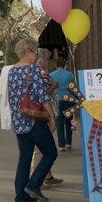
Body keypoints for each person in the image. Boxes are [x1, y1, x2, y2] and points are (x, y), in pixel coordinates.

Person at [7, 38, 57, 202]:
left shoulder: (12, 71)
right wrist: (51, 116)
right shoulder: (33, 69)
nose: (37, 55)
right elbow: (43, 96)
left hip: (19, 121)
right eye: (35, 51)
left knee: (25, 158)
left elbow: (12, 98)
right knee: (50, 152)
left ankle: (21, 196)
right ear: (27, 52)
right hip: (34, 120)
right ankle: (34, 185)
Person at [33, 49, 63, 188]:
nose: (49, 62)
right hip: (45, 114)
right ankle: (36, 178)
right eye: (48, 59)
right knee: (43, 148)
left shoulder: (36, 73)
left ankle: (47, 175)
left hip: (42, 114)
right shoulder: (43, 74)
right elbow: (44, 95)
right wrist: (54, 85)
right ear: (42, 60)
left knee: (43, 147)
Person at [51, 57, 76, 152]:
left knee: (60, 123)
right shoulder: (70, 75)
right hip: (69, 100)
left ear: (55, 65)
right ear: (64, 64)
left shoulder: (51, 75)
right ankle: (68, 143)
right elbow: (73, 88)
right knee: (69, 122)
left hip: (58, 101)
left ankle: (61, 145)